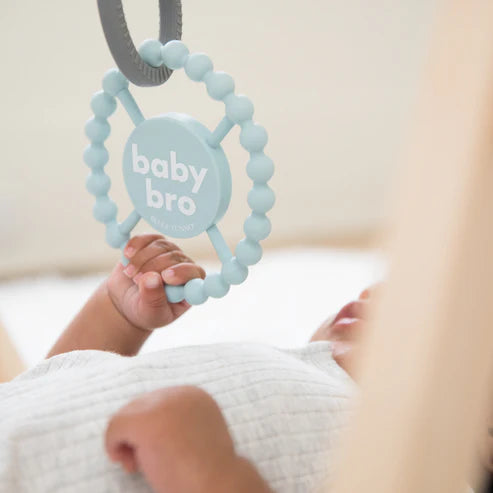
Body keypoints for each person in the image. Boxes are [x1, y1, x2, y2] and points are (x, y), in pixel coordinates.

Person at [0, 234, 374, 492]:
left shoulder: (385, 443)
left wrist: (211, 471)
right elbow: (49, 388)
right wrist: (118, 317)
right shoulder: (302, 369)